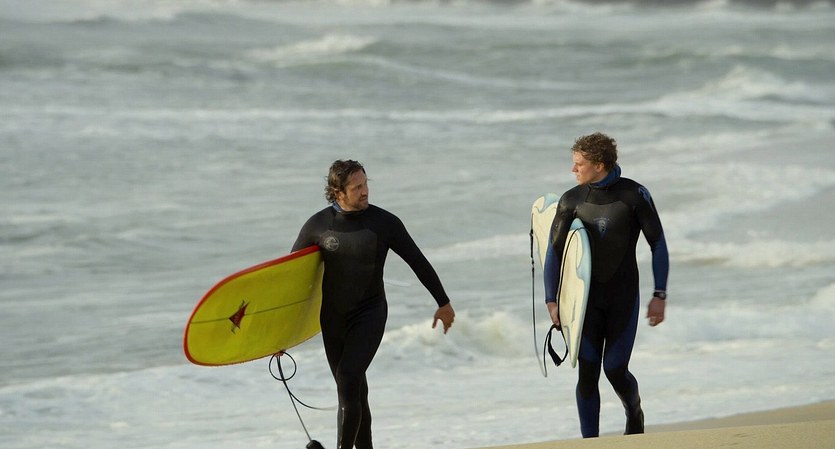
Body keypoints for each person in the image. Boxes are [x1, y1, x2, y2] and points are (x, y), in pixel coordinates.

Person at [292, 159, 455, 449]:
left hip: (370, 313)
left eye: (366, 184)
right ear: (338, 192)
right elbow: (290, 278)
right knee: (351, 391)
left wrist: (443, 302)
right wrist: (277, 335)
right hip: (333, 319)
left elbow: (417, 261)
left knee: (348, 378)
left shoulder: (384, 223)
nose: (365, 191)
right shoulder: (318, 225)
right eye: (357, 187)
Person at [543, 133, 669, 438]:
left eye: (579, 164)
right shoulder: (571, 200)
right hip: (584, 302)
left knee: (614, 369)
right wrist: (551, 299)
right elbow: (554, 252)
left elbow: (658, 243)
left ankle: (634, 411)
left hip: (622, 296)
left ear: (599, 165)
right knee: (587, 373)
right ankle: (590, 442)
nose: (573, 169)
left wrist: (659, 294)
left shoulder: (634, 195)